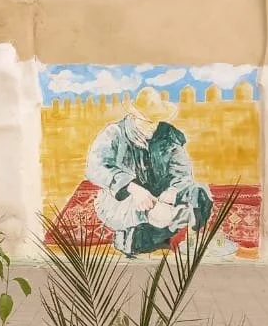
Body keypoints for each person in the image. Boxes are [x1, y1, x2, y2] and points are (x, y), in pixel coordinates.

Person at [84, 87, 214, 257]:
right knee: (146, 223)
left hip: (162, 196)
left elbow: (182, 173)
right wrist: (134, 189)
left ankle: (173, 222)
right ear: (134, 115)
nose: (151, 127)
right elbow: (96, 167)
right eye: (146, 120)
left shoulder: (169, 135)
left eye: (155, 121)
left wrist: (172, 192)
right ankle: (167, 226)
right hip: (124, 198)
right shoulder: (114, 133)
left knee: (200, 194)